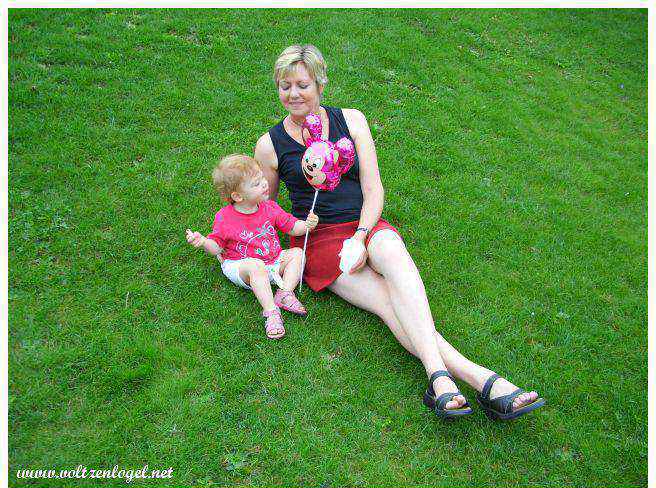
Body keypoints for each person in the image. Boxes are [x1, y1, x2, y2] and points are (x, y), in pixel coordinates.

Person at [254, 44, 545, 419]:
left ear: (320, 84)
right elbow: (268, 208)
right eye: (284, 86)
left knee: (395, 259)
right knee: (387, 302)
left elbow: (373, 189)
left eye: (302, 84)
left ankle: (444, 381)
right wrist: (270, 249)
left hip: (365, 223)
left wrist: (360, 237)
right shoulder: (269, 145)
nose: (293, 94)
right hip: (319, 240)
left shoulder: (352, 121)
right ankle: (474, 379)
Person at [186, 153, 319, 340]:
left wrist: (306, 226)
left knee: (297, 254)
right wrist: (204, 242)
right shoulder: (225, 218)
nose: (265, 184)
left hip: (272, 261)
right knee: (256, 265)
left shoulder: (270, 208)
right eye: (256, 183)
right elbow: (217, 248)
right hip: (241, 266)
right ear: (238, 196)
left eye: (262, 178)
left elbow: (291, 226)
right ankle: (271, 312)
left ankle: (285, 293)